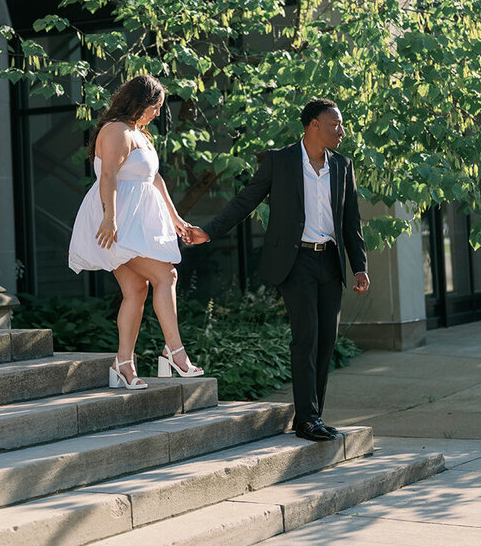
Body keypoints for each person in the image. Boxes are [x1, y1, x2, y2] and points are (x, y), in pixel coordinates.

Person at [184, 99, 370, 441]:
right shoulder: (280, 161)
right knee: (307, 336)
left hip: (330, 261)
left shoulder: (342, 166)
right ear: (313, 125)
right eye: (336, 125)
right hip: (295, 261)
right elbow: (246, 200)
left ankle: (314, 415)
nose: (342, 131)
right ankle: (307, 418)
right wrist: (209, 230)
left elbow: (351, 220)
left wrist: (359, 266)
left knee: (326, 341)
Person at [68, 74, 205, 390]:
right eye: (155, 107)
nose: (158, 113)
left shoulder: (140, 134)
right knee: (166, 276)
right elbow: (109, 178)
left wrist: (176, 219)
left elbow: (155, 179)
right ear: (139, 102)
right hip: (117, 223)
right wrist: (110, 219)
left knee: (137, 290)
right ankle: (174, 351)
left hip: (137, 222)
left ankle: (124, 363)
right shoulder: (116, 130)